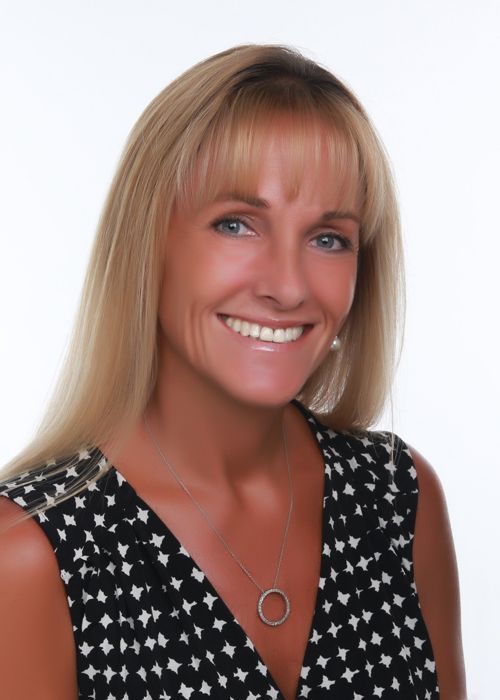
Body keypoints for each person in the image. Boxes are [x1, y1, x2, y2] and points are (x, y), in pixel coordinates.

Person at [0, 44, 466, 699]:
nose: (288, 285)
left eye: (328, 237)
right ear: (148, 242)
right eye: (237, 224)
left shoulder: (397, 498)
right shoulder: (28, 557)